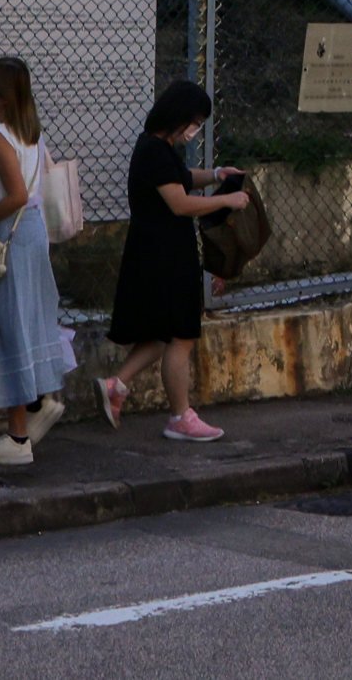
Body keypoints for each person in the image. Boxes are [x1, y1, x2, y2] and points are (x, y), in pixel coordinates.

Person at [100, 79, 247, 443]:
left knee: (161, 331)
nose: (195, 131)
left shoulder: (159, 148)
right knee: (181, 335)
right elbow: (180, 202)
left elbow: (180, 181)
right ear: (178, 116)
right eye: (194, 123)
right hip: (164, 253)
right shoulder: (155, 151)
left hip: (158, 250)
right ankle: (181, 415)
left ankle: (116, 384)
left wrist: (215, 175)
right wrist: (225, 201)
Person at [0, 57, 75, 467]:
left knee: (8, 324)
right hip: (32, 233)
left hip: (10, 235)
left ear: (4, 95)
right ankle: (36, 403)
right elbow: (26, 188)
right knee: (28, 317)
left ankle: (17, 436)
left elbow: (13, 195)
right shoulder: (30, 133)